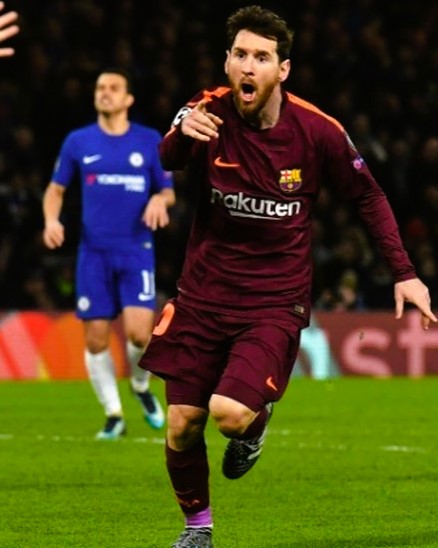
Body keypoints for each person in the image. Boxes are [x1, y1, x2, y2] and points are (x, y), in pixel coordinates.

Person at [138, 6, 437, 547]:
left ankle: (255, 424)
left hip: (272, 302)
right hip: (202, 295)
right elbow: (168, 156)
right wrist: (182, 132)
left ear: (283, 69)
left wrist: (404, 272)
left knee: (229, 415)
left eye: (262, 57)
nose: (248, 66)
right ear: (227, 62)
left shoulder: (318, 131)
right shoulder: (205, 110)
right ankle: (198, 530)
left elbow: (368, 196)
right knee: (181, 423)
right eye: (240, 54)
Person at [43, 68, 175, 440]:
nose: (105, 92)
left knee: (140, 336)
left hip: (136, 251)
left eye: (114, 87)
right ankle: (114, 414)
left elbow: (168, 191)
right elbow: (55, 189)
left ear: (128, 99)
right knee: (96, 340)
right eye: (100, 87)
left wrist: (159, 199)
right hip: (94, 253)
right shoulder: (78, 141)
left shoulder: (149, 140)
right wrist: (51, 220)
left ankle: (139, 385)